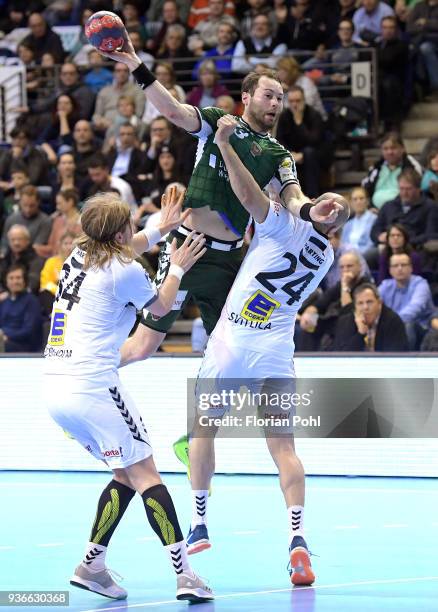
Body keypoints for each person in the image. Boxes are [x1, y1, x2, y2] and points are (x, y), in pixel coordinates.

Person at [174, 113, 349, 584]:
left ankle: (199, 523)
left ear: (316, 212)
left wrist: (227, 144)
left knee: (202, 433)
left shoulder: (279, 226)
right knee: (283, 448)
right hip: (276, 350)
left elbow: (249, 194)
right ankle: (297, 539)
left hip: (233, 340)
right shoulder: (326, 255)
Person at [99, 30, 336, 363]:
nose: (275, 104)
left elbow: (293, 198)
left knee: (230, 349)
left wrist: (312, 212)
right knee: (143, 346)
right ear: (247, 97)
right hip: (186, 247)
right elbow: (172, 111)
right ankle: (89, 370)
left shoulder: (277, 154)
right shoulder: (215, 122)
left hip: (227, 260)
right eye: (268, 95)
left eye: (280, 98)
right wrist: (137, 65)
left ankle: (221, 413)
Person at [42, 187, 213, 602]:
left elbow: (128, 248)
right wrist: (175, 267)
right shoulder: (126, 270)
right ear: (118, 235)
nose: (135, 229)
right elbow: (159, 310)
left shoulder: (79, 255)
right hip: (93, 386)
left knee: (124, 473)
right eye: (131, 224)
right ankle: (185, 575)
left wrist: (161, 227)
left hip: (54, 387)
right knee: (147, 475)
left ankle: (92, 566)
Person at [378, 252, 435, 349]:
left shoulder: (420, 284)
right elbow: (375, 305)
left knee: (407, 326)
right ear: (390, 270)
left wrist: (391, 323)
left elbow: (414, 309)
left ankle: (405, 359)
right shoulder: (385, 286)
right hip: (391, 328)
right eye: (395, 266)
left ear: (411, 268)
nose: (399, 268)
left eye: (403, 265)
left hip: (421, 329)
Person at [332, 282, 409, 351]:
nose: (365, 307)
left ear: (379, 303)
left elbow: (394, 356)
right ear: (355, 306)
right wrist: (360, 334)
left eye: (369, 302)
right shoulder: (345, 322)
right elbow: (340, 356)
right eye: (360, 303)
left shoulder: (393, 321)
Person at [0, 264, 43, 352]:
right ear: (6, 281)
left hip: (23, 347)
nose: (15, 281)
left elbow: (29, 331)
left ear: (24, 280)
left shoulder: (32, 301)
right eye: (11, 278)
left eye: (18, 278)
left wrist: (6, 335)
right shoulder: (5, 301)